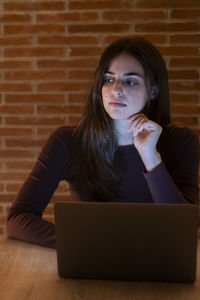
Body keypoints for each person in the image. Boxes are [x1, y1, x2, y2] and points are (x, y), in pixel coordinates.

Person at [6, 37, 199, 249]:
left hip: (158, 269)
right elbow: (17, 219)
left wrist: (150, 156)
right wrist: (86, 243)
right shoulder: (68, 141)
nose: (116, 90)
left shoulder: (182, 141)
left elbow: (184, 230)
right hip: (89, 265)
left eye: (130, 81)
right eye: (109, 80)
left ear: (153, 90)